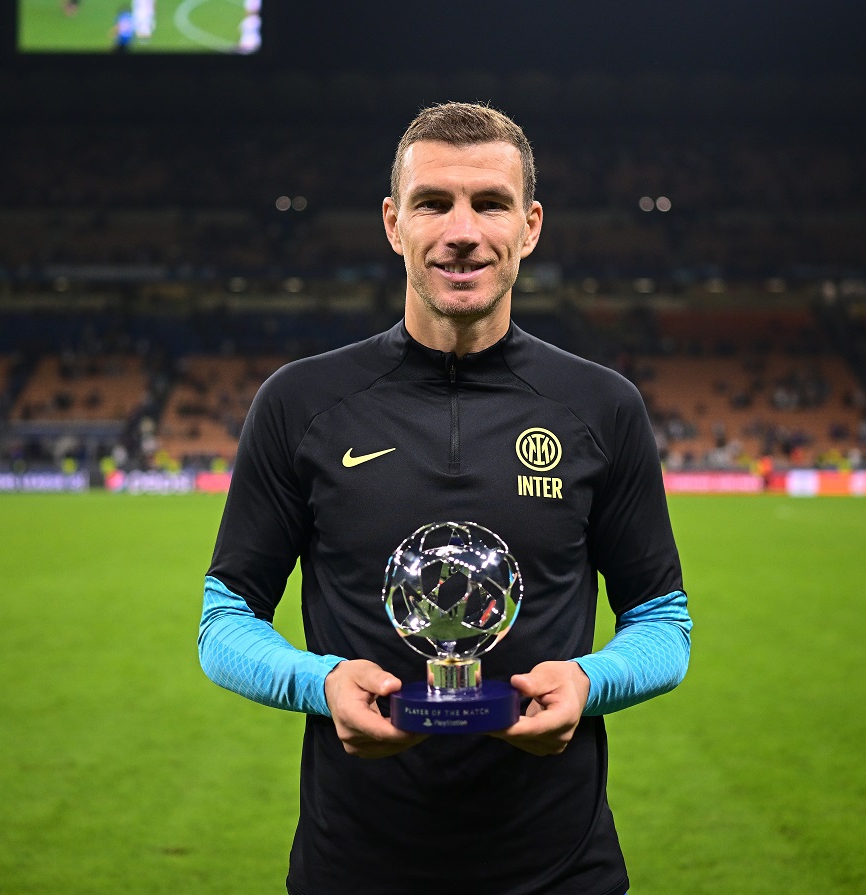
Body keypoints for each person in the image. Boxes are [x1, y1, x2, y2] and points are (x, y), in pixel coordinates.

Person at [200, 102, 692, 895]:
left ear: (530, 226)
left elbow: (664, 622)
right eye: (433, 202)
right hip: (353, 871)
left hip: (561, 871)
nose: (462, 231)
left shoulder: (602, 407)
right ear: (393, 223)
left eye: (490, 203)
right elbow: (223, 620)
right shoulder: (300, 402)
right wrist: (321, 683)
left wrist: (588, 681)